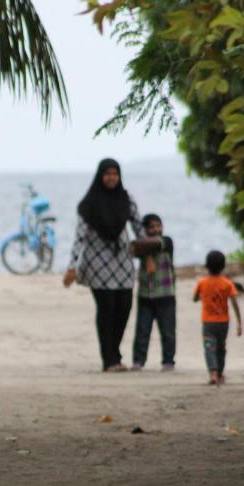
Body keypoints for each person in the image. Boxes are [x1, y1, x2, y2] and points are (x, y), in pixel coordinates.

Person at [63, 158, 142, 372]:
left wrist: (149, 255)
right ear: (100, 176)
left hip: (123, 263)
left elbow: (138, 227)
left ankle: (114, 354)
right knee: (106, 310)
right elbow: (79, 237)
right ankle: (109, 360)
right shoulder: (88, 204)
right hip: (97, 264)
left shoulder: (126, 199)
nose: (111, 178)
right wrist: (72, 266)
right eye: (107, 174)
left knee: (124, 308)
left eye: (115, 174)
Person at [130, 213, 176, 371]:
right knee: (142, 331)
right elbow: (132, 248)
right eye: (151, 227)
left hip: (166, 294)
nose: (156, 229)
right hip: (145, 294)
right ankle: (138, 360)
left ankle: (168, 360)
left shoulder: (167, 242)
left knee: (168, 331)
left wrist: (146, 252)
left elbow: (152, 244)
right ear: (144, 230)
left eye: (158, 226)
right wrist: (146, 253)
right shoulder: (142, 247)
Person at [193, 249, 242, 385]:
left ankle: (213, 373)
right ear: (223, 266)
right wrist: (239, 322)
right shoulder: (227, 283)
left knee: (209, 348)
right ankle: (220, 373)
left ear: (206, 266)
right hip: (223, 322)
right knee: (221, 348)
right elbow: (234, 303)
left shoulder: (202, 283)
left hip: (208, 322)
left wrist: (202, 296)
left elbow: (195, 298)